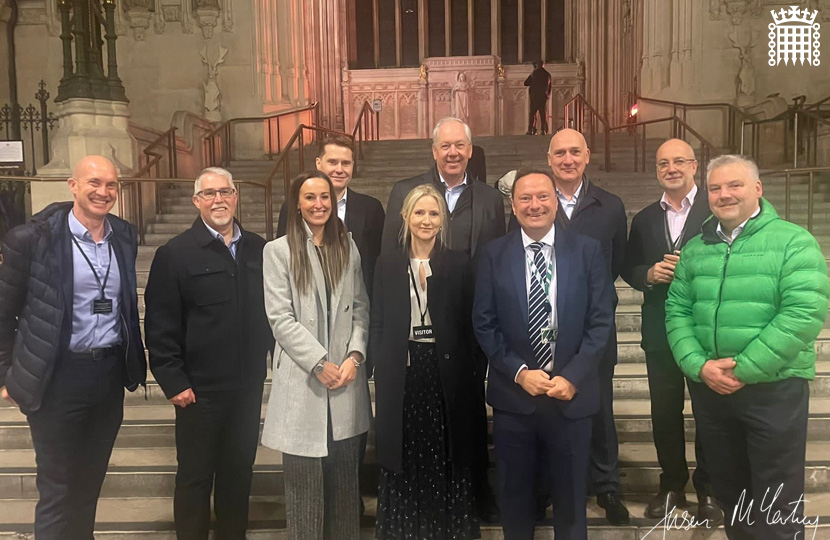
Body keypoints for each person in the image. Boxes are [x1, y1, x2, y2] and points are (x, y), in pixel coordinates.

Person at [666, 155, 829, 540]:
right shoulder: (695, 248)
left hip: (774, 390)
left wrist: (743, 369)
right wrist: (698, 366)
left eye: (734, 185)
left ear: (757, 188)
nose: (724, 195)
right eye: (716, 188)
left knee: (776, 501)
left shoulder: (793, 241)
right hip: (712, 391)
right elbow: (677, 310)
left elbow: (803, 313)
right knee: (731, 495)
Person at [0, 156, 146, 540]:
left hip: (107, 375)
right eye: (94, 183)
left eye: (111, 185)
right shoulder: (31, 240)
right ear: (73, 185)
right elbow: (3, 314)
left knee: (89, 483)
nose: (103, 192)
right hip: (56, 377)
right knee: (58, 488)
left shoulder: (124, 235)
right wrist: (7, 376)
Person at [473, 168, 614, 540]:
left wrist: (573, 376)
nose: (534, 205)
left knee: (570, 504)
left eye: (542, 197)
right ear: (513, 205)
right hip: (514, 399)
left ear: (556, 201)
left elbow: (600, 323)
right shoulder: (492, 254)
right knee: (515, 502)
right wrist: (519, 372)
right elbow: (484, 324)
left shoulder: (587, 251)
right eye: (525, 198)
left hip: (570, 397)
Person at [381, 116, 505, 522]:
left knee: (460, 434)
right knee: (416, 439)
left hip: (462, 341)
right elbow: (389, 279)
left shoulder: (489, 198)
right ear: (433, 151)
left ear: (470, 150)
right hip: (412, 353)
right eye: (445, 146)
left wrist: (478, 356)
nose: (453, 152)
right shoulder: (405, 190)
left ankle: (464, 505)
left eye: (460, 146)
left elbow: (495, 264)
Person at [143, 167, 274, 540]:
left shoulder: (259, 249)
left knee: (238, 474)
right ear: (197, 201)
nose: (219, 199)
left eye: (226, 191)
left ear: (236, 197)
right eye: (210, 193)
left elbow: (273, 313)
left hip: (246, 387)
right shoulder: (176, 253)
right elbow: (160, 325)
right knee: (195, 478)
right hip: (198, 392)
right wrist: (173, 380)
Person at [261, 170, 370, 540]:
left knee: (343, 489)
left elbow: (360, 308)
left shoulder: (348, 246)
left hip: (345, 379)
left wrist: (355, 356)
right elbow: (280, 318)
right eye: (310, 197)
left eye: (325, 197)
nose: (319, 204)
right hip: (305, 379)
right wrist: (319, 362)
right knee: (304, 491)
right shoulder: (277, 251)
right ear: (297, 204)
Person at [371, 184, 481, 540]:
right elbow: (378, 319)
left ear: (442, 219)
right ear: (405, 217)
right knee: (403, 448)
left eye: (434, 213)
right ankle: (404, 529)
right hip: (401, 369)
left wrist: (472, 369)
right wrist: (377, 362)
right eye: (419, 212)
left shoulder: (459, 262)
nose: (426, 220)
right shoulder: (387, 261)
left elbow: (470, 321)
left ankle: (446, 528)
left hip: (444, 369)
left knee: (445, 447)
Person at [620, 139, 721, 522]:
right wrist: (647, 274)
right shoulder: (645, 218)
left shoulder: (715, 211)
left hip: (705, 329)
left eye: (679, 161)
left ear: (695, 166)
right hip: (660, 328)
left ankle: (709, 489)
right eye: (664, 163)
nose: (672, 168)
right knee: (664, 411)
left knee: (707, 411)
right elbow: (628, 266)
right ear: (657, 170)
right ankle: (672, 485)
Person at [540, 128, 629, 524]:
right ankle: (547, 488)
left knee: (599, 409)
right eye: (560, 153)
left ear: (587, 155)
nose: (567, 159)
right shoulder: (536, 203)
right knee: (545, 409)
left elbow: (618, 264)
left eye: (575, 152)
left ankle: (607, 486)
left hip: (594, 328)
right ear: (549, 158)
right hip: (544, 326)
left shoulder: (609, 206)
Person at [277, 135, 385, 298]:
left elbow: (378, 264)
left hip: (355, 306)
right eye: (333, 162)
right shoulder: (292, 207)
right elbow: (284, 260)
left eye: (346, 163)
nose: (339, 169)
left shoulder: (371, 208)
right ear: (318, 163)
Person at [524, 60, 552, 135]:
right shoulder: (547, 74)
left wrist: (533, 73)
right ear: (543, 65)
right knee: (543, 114)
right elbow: (549, 87)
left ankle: (531, 130)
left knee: (532, 114)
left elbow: (526, 83)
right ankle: (544, 130)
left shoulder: (534, 73)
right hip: (543, 97)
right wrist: (547, 95)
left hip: (534, 96)